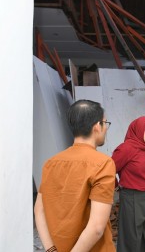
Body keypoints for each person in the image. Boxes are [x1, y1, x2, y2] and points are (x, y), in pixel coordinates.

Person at [34, 100, 116, 252]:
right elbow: (97, 227)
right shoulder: (103, 164)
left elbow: (39, 210)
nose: (106, 128)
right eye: (106, 123)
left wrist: (50, 249)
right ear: (97, 126)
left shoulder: (50, 163)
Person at [112, 116, 145, 252]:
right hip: (132, 197)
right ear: (138, 130)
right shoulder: (125, 149)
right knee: (132, 236)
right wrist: (116, 186)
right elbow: (108, 170)